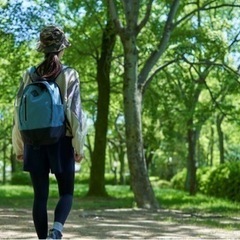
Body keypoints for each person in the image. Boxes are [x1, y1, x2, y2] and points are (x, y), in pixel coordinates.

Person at [12, 25, 86, 239]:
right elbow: (75, 114)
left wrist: (20, 147)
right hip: (61, 140)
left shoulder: (29, 75)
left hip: (33, 141)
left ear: (42, 49)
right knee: (67, 192)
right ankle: (57, 231)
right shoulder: (69, 74)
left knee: (40, 197)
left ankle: (43, 238)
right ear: (61, 49)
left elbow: (18, 113)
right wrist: (78, 146)